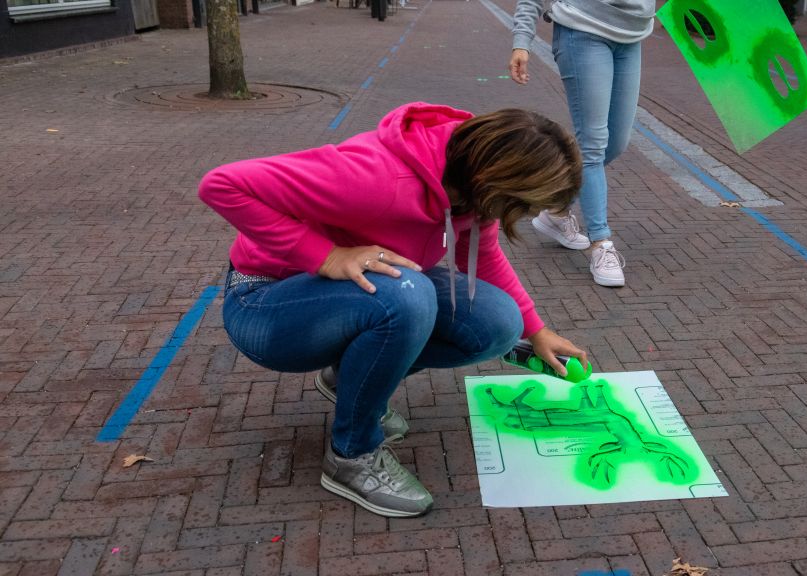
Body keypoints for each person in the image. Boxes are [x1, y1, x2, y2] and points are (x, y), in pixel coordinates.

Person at [198, 103, 588, 518]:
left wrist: (535, 328)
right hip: (266, 302)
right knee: (407, 295)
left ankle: (348, 378)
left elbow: (484, 255)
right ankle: (351, 455)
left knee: (499, 324)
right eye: (526, 207)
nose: (526, 217)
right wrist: (326, 255)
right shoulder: (373, 176)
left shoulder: (470, 189)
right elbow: (221, 185)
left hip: (361, 291)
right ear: (497, 182)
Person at [508, 0, 655, 287]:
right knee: (593, 146)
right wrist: (521, 40)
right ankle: (600, 243)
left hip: (632, 36)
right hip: (583, 30)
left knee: (616, 143)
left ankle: (557, 211)